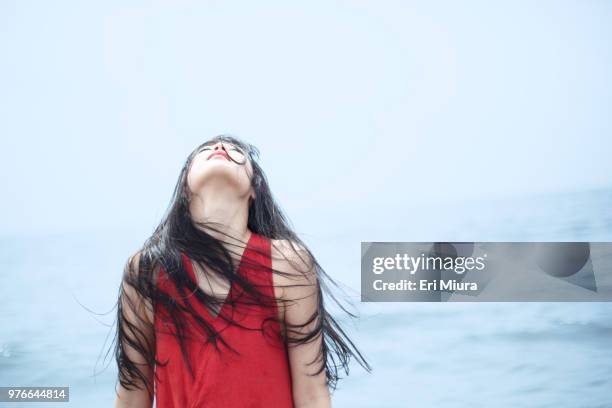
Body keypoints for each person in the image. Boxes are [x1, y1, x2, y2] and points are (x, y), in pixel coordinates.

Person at [112, 135, 371, 407]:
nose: (221, 148)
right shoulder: (147, 272)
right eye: (205, 149)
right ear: (185, 187)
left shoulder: (287, 263)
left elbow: (312, 393)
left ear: (253, 190)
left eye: (236, 151)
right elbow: (132, 392)